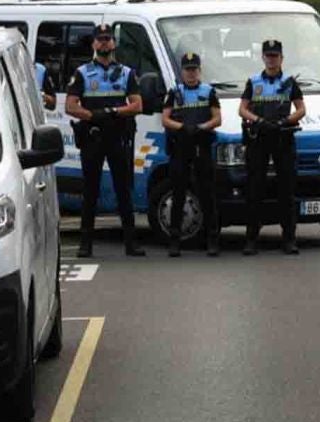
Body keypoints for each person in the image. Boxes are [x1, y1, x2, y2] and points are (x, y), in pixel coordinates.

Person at [65, 23, 145, 259]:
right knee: (90, 190)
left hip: (118, 136)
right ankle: (85, 242)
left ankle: (131, 242)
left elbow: (137, 105)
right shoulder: (82, 73)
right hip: (93, 137)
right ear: (93, 44)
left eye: (107, 39)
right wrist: (92, 116)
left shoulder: (127, 73)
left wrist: (113, 112)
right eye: (99, 39)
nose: (103, 43)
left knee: (123, 189)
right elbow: (70, 106)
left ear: (114, 43)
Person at [240, 38, 306, 255]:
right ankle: (251, 240)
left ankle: (289, 239)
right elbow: (242, 109)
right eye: (268, 56)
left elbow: (301, 109)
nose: (271, 60)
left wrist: (284, 121)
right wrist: (258, 121)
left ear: (281, 58)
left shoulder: (289, 82)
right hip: (259, 138)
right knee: (255, 188)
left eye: (275, 56)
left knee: (286, 189)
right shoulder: (253, 81)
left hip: (282, 137)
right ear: (263, 58)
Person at [160, 50, 222, 257]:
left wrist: (202, 127)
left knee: (207, 193)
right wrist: (181, 127)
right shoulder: (175, 92)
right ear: (182, 71)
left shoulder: (208, 91)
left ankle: (212, 239)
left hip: (201, 146)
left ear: (199, 70)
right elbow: (165, 118)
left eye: (194, 69)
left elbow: (217, 119)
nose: (191, 73)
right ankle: (175, 240)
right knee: (178, 193)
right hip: (181, 146)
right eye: (187, 70)